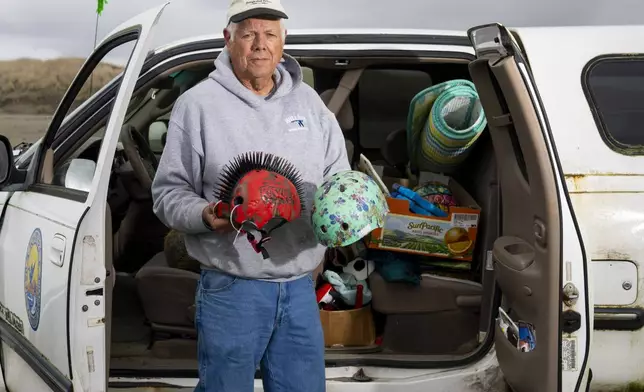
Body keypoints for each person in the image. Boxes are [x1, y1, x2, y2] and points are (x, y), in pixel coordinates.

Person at [150, 0, 351, 390]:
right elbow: (168, 193)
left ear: (283, 41)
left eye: (270, 33)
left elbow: (336, 177)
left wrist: (347, 209)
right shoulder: (198, 106)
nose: (260, 44)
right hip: (231, 288)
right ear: (228, 39)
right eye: (248, 33)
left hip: (299, 286)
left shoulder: (310, 104)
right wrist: (207, 214)